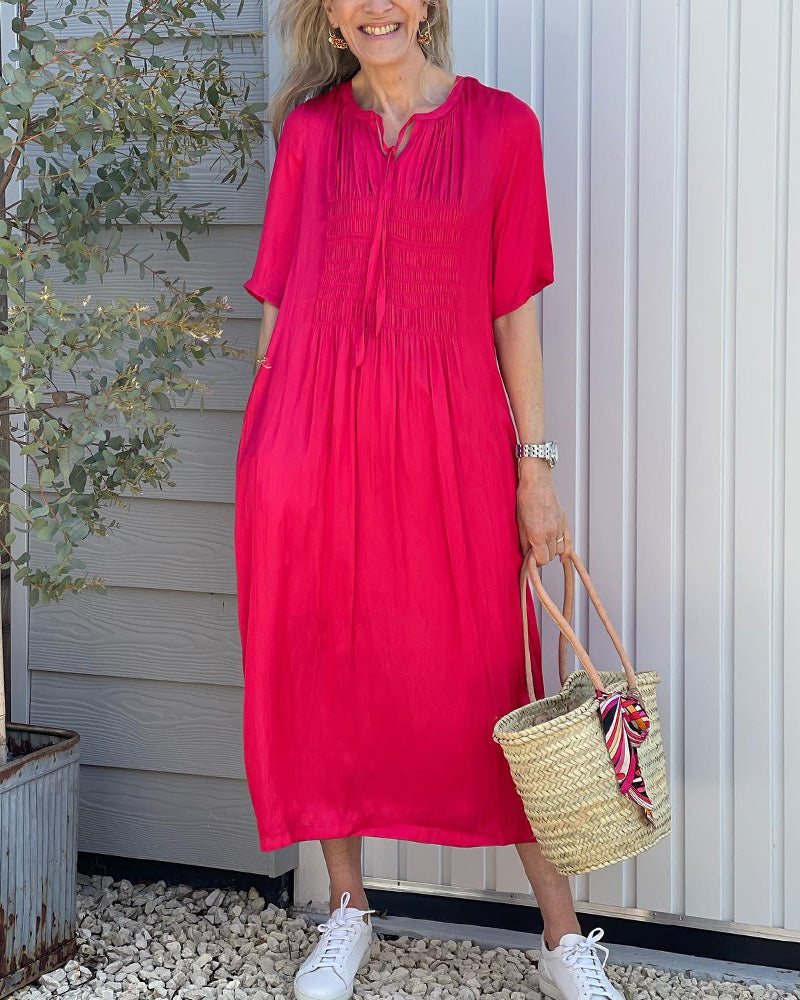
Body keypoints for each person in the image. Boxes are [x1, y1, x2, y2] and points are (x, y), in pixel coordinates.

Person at [234, 2, 625, 999]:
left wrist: (534, 466)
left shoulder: (501, 129)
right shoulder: (312, 134)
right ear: (327, 12)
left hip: (449, 444)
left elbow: (512, 313)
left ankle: (559, 935)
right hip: (309, 443)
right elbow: (278, 310)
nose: (377, 7)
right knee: (318, 662)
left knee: (485, 674)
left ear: (429, 7)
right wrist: (265, 451)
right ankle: (348, 908)